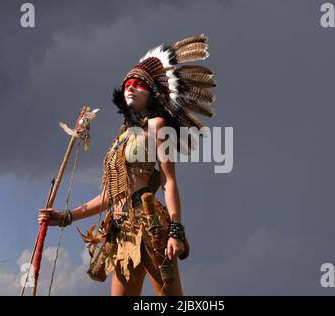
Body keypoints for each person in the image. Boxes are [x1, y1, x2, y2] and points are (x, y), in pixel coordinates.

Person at [38, 34, 217, 296]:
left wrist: (175, 230)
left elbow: (168, 181)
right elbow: (111, 195)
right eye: (127, 85)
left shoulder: (157, 126)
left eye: (138, 84)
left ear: (153, 92)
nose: (130, 87)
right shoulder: (121, 138)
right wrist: (65, 217)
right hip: (121, 231)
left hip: (151, 225)